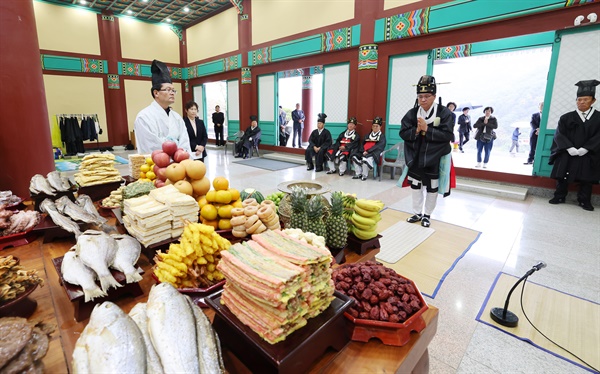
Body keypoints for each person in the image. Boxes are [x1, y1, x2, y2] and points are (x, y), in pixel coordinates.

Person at [399, 75, 455, 227]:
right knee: (416, 186)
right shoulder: (412, 113)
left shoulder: (444, 113)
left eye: (427, 96)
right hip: (416, 156)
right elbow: (403, 132)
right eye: (420, 96)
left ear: (434, 96)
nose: (423, 100)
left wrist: (427, 129)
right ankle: (417, 212)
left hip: (435, 157)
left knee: (432, 187)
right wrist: (416, 130)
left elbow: (448, 135)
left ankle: (427, 215)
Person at [548, 79, 600, 211]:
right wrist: (569, 147)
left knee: (586, 178)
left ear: (593, 101)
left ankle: (584, 200)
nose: (581, 102)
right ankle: (559, 196)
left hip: (588, 153)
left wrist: (586, 148)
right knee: (562, 175)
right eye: (579, 99)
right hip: (568, 151)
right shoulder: (566, 117)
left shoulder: (598, 118)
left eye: (585, 99)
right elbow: (559, 134)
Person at [134, 60, 191, 155]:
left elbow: (185, 142)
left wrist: (179, 155)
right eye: (168, 90)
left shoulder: (176, 117)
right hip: (156, 166)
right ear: (156, 93)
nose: (172, 93)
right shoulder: (144, 117)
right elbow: (151, 146)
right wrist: (175, 147)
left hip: (179, 165)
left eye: (173, 90)